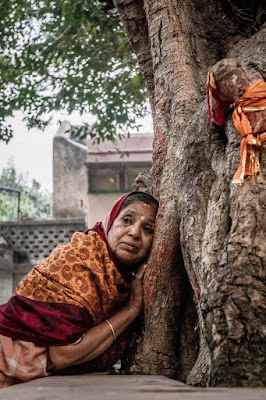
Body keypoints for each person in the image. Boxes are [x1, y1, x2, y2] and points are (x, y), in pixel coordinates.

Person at [0, 191, 158, 388]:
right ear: (110, 223)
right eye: (127, 220)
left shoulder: (122, 281)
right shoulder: (80, 258)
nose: (135, 232)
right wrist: (132, 309)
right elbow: (63, 353)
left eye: (148, 229)